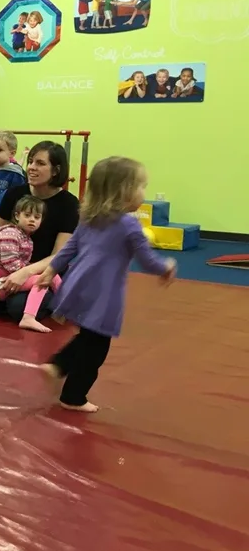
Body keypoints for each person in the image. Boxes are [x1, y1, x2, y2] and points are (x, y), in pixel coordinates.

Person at [35, 156, 176, 413]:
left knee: (89, 337)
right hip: (104, 292)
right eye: (141, 186)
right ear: (124, 191)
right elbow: (147, 260)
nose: (144, 192)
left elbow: (70, 248)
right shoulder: (129, 225)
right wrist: (165, 267)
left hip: (79, 284)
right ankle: (73, 395)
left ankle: (58, 365)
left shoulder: (90, 218)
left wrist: (52, 269)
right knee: (97, 347)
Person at [0, 141, 79, 322]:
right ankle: (7, 298)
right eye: (30, 162)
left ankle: (51, 297)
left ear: (56, 170)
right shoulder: (14, 194)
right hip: (8, 267)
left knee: (18, 308)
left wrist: (25, 272)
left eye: (40, 163)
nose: (31, 167)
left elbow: (59, 255)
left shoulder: (68, 204)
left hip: (44, 271)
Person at [0, 195, 62, 333]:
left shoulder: (25, 237)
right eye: (27, 215)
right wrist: (34, 271)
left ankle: (64, 305)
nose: (32, 220)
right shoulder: (10, 234)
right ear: (17, 216)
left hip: (6, 278)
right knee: (41, 280)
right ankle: (28, 317)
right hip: (0, 283)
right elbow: (10, 264)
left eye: (37, 217)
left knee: (51, 274)